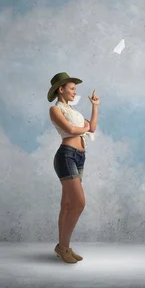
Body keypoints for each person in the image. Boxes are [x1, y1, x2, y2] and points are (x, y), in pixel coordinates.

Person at [47, 72, 100, 264]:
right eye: (71, 88)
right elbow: (70, 130)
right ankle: (62, 247)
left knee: (67, 205)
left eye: (75, 89)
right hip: (66, 156)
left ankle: (64, 248)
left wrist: (95, 106)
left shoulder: (75, 112)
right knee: (79, 203)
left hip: (79, 157)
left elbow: (91, 127)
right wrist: (84, 128)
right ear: (60, 89)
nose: (74, 92)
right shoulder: (55, 110)